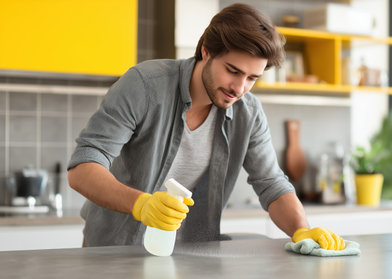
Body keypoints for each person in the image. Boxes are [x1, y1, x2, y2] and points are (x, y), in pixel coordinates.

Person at [68, 3, 344, 250]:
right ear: (206, 51)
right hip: (115, 249)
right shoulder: (144, 85)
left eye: (252, 78)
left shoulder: (249, 113)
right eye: (233, 71)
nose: (239, 88)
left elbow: (271, 183)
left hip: (191, 254)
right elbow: (83, 168)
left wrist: (302, 230)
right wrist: (142, 205)